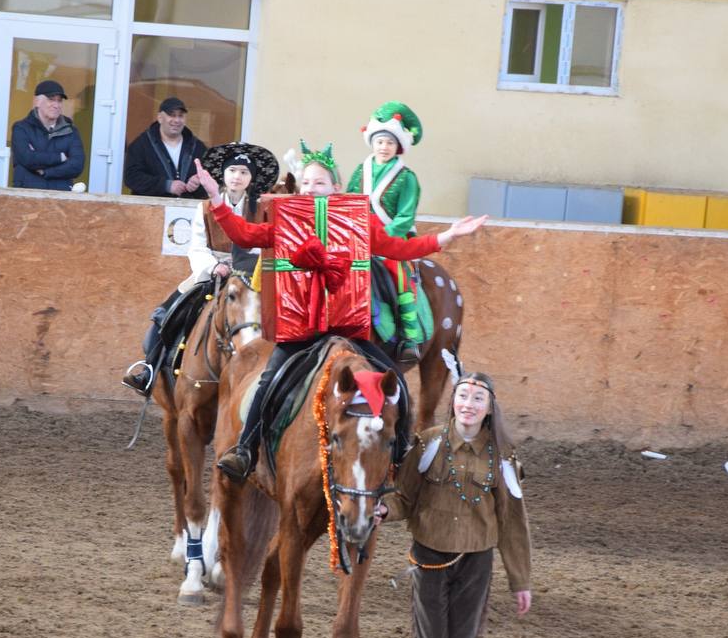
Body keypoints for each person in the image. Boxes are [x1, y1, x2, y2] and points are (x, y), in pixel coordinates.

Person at [194, 143, 489, 481]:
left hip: (348, 329)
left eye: (319, 183)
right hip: (300, 329)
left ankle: (402, 457)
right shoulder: (286, 220)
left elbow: (401, 248)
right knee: (268, 381)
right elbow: (243, 233)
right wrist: (215, 198)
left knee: (397, 386)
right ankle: (246, 449)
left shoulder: (357, 221)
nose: (311, 189)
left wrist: (447, 235)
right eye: (306, 183)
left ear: (336, 188)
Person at [376, 371, 533, 638]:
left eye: (477, 398)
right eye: (462, 395)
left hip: (475, 566)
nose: (468, 403)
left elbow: (512, 522)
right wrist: (383, 512)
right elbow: (403, 497)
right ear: (454, 402)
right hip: (429, 561)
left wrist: (521, 580)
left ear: (489, 408)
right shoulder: (428, 445)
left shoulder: (502, 455)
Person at [121, 142, 279, 395]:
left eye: (244, 172)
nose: (237, 176)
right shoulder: (204, 208)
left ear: (251, 178)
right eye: (233, 171)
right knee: (165, 314)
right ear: (223, 175)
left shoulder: (263, 210)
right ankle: (149, 370)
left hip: (252, 278)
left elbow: (264, 247)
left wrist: (243, 266)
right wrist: (213, 266)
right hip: (210, 273)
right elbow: (196, 247)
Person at [347, 101, 424, 363]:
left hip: (391, 238)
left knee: (398, 273)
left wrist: (383, 236)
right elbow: (348, 200)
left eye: (390, 143)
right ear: (372, 142)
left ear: (399, 146)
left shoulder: (407, 177)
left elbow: (405, 216)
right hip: (358, 235)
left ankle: (408, 336)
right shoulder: (361, 170)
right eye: (380, 141)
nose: (384, 147)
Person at [123, 97, 207, 198]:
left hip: (188, 211)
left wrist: (199, 183)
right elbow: (131, 178)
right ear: (160, 118)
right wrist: (166, 185)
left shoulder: (198, 147)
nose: (176, 120)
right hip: (151, 211)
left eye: (180, 116)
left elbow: (212, 178)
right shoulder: (141, 145)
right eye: (171, 115)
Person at [11, 79, 85, 191]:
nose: (56, 105)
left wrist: (46, 172)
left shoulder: (71, 131)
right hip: (27, 194)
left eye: (59, 101)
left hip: (61, 196)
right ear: (37, 102)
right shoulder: (21, 128)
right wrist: (61, 157)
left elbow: (76, 165)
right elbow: (27, 158)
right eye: (51, 100)